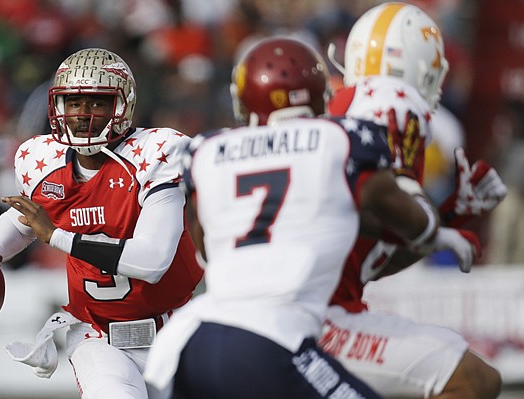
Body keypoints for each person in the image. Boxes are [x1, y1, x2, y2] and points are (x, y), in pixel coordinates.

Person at [143, 37, 481, 399]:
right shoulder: (340, 139)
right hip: (273, 339)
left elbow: (208, 249)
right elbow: (407, 219)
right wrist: (429, 213)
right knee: (473, 381)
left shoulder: (207, 149)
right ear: (320, 92)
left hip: (190, 342)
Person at [0, 48, 204, 399]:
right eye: (73, 103)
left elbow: (153, 260)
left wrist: (57, 236)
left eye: (96, 103)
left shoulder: (154, 154)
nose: (82, 115)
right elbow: (22, 220)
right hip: (99, 337)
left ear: (123, 105)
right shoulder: (44, 163)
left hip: (177, 331)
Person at [321, 3, 506, 398]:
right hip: (313, 316)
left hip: (305, 306)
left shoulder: (335, 110)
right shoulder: (393, 101)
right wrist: (437, 228)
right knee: (476, 380)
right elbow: (390, 209)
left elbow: (372, 261)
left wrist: (447, 219)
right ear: (419, 69)